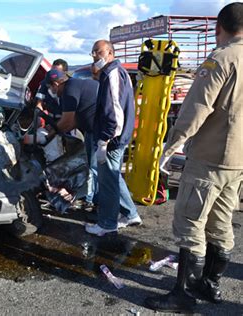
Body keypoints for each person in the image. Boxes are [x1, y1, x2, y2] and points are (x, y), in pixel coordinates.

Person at [145, 3, 243, 313]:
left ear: (219, 27)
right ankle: (210, 283)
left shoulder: (222, 59)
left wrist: (170, 146)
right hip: (237, 161)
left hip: (210, 157)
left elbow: (195, 110)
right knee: (221, 223)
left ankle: (182, 295)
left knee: (190, 223)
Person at [84, 39, 142, 237]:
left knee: (107, 182)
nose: (94, 55)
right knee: (113, 177)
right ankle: (131, 213)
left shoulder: (112, 73)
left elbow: (115, 113)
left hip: (112, 140)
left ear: (110, 52)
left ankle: (107, 223)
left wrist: (104, 140)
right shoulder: (110, 73)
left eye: (98, 51)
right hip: (117, 138)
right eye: (92, 52)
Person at [43, 69, 99, 206]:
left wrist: (47, 137)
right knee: (92, 167)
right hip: (93, 130)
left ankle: (97, 203)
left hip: (100, 131)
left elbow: (68, 121)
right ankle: (94, 201)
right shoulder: (74, 85)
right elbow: (72, 121)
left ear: (56, 84)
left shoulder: (69, 90)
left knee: (95, 169)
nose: (51, 90)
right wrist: (54, 129)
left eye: (50, 87)